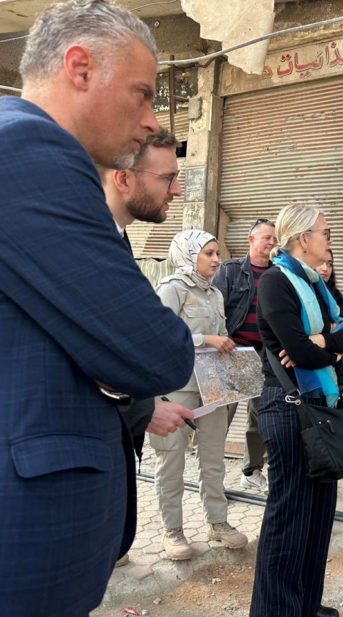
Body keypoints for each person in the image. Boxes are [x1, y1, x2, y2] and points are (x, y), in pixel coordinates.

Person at [0, 2, 194, 615]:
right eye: (141, 94)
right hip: (28, 539)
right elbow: (157, 352)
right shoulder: (31, 151)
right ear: (79, 68)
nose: (149, 120)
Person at [250, 205, 343, 617]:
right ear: (302, 238)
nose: (331, 240)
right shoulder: (276, 282)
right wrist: (324, 343)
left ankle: (305, 607)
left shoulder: (316, 285)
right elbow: (298, 352)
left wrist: (323, 340)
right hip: (289, 407)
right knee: (289, 519)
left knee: (317, 519)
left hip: (321, 407)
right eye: (326, 233)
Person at [101, 126, 193, 567]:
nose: (176, 191)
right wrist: (141, 408)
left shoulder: (116, 240)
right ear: (124, 179)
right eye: (167, 178)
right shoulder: (85, 245)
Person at [150, 230, 249, 560]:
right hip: (177, 388)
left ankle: (217, 523)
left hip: (212, 388)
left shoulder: (215, 294)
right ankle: (172, 530)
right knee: (171, 460)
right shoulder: (172, 289)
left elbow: (219, 337)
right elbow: (159, 335)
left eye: (217, 253)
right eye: (208, 253)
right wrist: (204, 339)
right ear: (189, 255)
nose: (216, 259)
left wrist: (227, 348)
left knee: (213, 458)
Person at [213, 218, 276, 493]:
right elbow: (214, 309)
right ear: (251, 240)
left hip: (264, 354)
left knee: (259, 417)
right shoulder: (229, 270)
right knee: (219, 418)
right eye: (267, 238)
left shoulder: (279, 274)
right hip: (232, 352)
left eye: (275, 239)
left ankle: (251, 471)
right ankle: (212, 478)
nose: (272, 243)